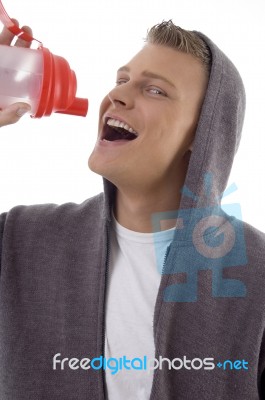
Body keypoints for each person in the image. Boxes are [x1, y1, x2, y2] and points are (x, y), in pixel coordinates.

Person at [0, 19, 265, 400]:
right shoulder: (19, 241)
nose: (118, 95)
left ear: (202, 134)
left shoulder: (257, 275)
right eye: (121, 79)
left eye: (155, 90)